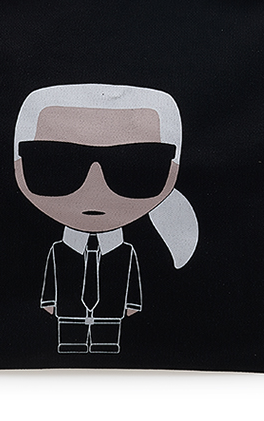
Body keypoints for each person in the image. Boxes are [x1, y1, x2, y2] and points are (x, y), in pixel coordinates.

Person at [14, 83, 198, 353]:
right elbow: (52, 277)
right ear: (18, 167)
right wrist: (49, 301)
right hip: (67, 315)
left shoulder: (126, 252)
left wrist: (132, 303)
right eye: (56, 162)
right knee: (70, 341)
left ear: (172, 172)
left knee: (108, 339)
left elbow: (131, 279)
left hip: (112, 315)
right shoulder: (58, 251)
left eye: (135, 167)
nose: (95, 186)